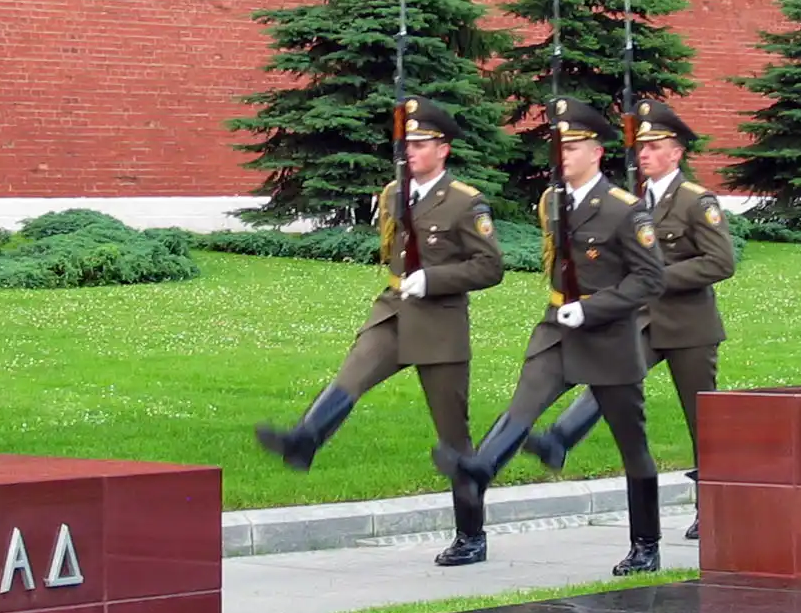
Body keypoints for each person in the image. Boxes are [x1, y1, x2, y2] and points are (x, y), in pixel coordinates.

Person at [255, 97, 504, 566]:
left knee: (454, 438)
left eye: (421, 143)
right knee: (352, 374)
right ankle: (306, 440)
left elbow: (490, 267)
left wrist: (434, 278)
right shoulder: (394, 193)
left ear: (443, 149)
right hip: (394, 311)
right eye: (407, 143)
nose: (411, 150)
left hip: (440, 324)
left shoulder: (465, 202)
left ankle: (471, 535)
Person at [431, 98, 667, 574]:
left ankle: (646, 543)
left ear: (596, 152)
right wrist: (568, 309)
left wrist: (593, 308)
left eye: (573, 147)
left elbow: (649, 279)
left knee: (632, 444)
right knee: (524, 404)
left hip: (610, 337)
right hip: (557, 327)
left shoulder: (625, 211)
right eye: (558, 146)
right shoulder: (552, 201)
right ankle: (482, 467)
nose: (563, 155)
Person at [523, 98, 735, 541]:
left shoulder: (696, 201)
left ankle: (714, 507)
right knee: (610, 379)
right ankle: (560, 438)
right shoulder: (632, 202)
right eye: (642, 147)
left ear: (676, 153)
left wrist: (655, 279)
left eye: (655, 147)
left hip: (688, 326)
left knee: (703, 418)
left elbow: (720, 262)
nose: (645, 154)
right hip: (641, 320)